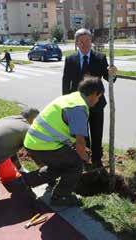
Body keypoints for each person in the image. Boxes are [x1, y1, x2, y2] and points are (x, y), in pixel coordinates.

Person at [24, 77, 104, 206]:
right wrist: (85, 157)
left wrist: (78, 149)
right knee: (76, 164)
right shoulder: (79, 108)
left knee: (60, 166)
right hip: (43, 144)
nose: (98, 100)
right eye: (99, 97)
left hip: (33, 141)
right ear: (94, 94)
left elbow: (60, 130)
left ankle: (25, 181)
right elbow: (80, 143)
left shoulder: (72, 97)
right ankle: (60, 197)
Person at [62, 28, 117, 168]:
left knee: (97, 132)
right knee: (81, 134)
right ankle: (84, 159)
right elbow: (65, 82)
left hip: (97, 103)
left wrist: (112, 73)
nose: (84, 44)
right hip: (77, 105)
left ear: (91, 41)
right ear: (76, 43)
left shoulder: (100, 58)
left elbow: (109, 78)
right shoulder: (70, 59)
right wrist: (66, 102)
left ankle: (97, 159)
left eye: (87, 40)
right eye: (81, 41)